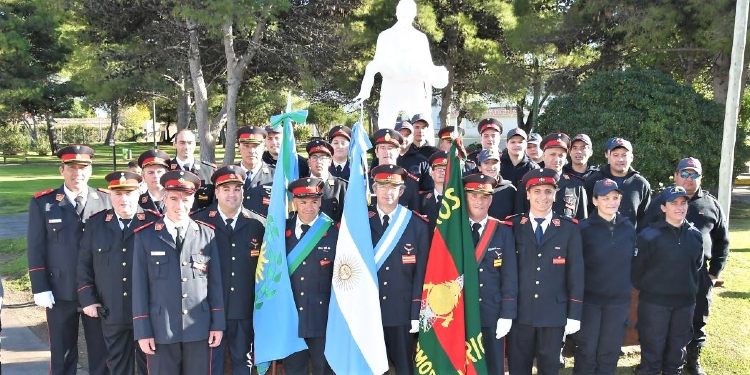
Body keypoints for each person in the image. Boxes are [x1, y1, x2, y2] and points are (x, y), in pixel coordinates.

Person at [27, 144, 111, 375]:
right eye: (72, 167)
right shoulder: (43, 203)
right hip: (59, 291)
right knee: (62, 354)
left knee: (101, 353)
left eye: (83, 167)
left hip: (97, 291)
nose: (78, 173)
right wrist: (40, 287)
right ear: (61, 169)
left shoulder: (105, 200)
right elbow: (35, 248)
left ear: (90, 170)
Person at [641, 158, 729, 375]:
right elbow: (642, 233)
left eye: (694, 174)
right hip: (662, 274)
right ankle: (653, 364)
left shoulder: (712, 204)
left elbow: (722, 241)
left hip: (698, 275)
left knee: (696, 321)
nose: (689, 178)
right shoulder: (660, 201)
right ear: (676, 175)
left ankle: (691, 362)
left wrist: (713, 273)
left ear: (700, 177)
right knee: (656, 323)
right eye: (685, 173)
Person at [132, 170, 225, 374]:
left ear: (193, 201)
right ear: (164, 197)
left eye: (185, 199)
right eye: (173, 198)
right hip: (160, 330)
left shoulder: (207, 235)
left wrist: (217, 324)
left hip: (199, 329)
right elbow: (139, 287)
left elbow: (215, 284)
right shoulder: (145, 236)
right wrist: (142, 331)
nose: (179, 205)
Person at [77, 171, 160, 375]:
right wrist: (88, 299)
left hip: (148, 313)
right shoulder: (96, 224)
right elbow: (83, 265)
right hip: (111, 311)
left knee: (149, 367)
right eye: (118, 193)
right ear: (110, 195)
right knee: (116, 366)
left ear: (139, 193)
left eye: (129, 193)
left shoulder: (155, 223)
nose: (123, 199)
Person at [506, 168, 584, 375]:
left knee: (550, 369)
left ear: (555, 194)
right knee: (518, 368)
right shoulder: (512, 225)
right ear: (528, 194)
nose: (543, 197)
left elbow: (576, 273)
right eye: (537, 191)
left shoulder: (569, 228)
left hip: (554, 314)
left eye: (548, 191)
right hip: (520, 314)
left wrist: (574, 314)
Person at [192, 165, 265, 375]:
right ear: (216, 192)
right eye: (226, 189)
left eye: (237, 189)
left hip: (244, 309)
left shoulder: (257, 224)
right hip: (208, 309)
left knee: (243, 363)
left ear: (243, 191)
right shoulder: (200, 222)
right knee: (210, 365)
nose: (232, 194)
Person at [632, 185, 703, 375]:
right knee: (652, 351)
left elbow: (696, 265)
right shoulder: (648, 236)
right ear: (663, 207)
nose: (679, 207)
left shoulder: (695, 235)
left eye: (683, 203)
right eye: (674, 203)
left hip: (684, 304)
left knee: (677, 351)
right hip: (655, 304)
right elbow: (637, 271)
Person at [352, 0, 448, 135]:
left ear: (414, 14)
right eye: (402, 11)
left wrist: (436, 78)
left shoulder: (420, 38)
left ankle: (425, 152)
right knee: (385, 128)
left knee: (422, 127)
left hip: (414, 87)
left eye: (409, 12)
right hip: (392, 86)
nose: (405, 15)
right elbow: (374, 65)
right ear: (397, 13)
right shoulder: (385, 36)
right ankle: (384, 153)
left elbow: (428, 66)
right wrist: (365, 91)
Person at [369, 164, 430, 375]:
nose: (388, 192)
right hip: (369, 311)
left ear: (402, 191)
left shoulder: (417, 225)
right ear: (374, 188)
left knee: (404, 367)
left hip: (402, 312)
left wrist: (416, 312)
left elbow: (421, 274)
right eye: (383, 186)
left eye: (394, 186)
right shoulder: (360, 224)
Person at [573, 178, 636, 375]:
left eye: (615, 197)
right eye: (605, 197)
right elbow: (575, 267)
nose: (611, 202)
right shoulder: (583, 229)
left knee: (609, 351)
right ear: (595, 200)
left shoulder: (628, 227)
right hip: (590, 302)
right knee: (587, 350)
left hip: (618, 302)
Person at [282, 177, 339, 375]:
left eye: (314, 201)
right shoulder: (281, 231)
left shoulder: (334, 232)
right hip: (291, 315)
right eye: (303, 202)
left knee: (323, 369)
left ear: (321, 202)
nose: (309, 207)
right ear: (294, 202)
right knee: (293, 369)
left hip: (323, 317)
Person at [463, 173, 518, 374]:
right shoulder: (455, 231)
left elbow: (509, 275)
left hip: (492, 312)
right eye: (474, 195)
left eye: (485, 196)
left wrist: (507, 314)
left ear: (491, 199)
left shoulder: (503, 231)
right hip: (462, 311)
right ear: (466, 197)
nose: (479, 201)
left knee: (494, 366)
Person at [516, 133, 588, 220]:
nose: (557, 159)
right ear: (543, 156)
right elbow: (519, 220)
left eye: (561, 155)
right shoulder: (528, 183)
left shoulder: (577, 185)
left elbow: (582, 221)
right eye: (552, 154)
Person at [584, 137, 651, 229]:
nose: (620, 159)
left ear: (631, 157)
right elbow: (585, 213)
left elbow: (644, 220)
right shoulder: (593, 181)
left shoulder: (641, 184)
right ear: (607, 155)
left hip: (629, 240)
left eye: (624, 155)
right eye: (615, 155)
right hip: (597, 239)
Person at [372, 129, 421, 210]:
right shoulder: (366, 181)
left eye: (391, 148)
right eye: (382, 147)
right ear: (376, 152)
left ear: (398, 151)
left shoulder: (409, 182)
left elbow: (414, 215)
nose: (387, 152)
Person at [170, 129, 216, 210]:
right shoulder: (166, 169)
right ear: (174, 144)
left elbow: (215, 201)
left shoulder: (209, 170)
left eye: (190, 143)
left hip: (202, 220)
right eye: (182, 142)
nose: (186, 147)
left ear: (195, 144)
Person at [236, 126, 275, 215]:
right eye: (246, 146)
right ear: (239, 147)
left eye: (256, 146)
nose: (251, 151)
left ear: (264, 147)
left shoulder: (276, 175)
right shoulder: (228, 174)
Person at [306, 139, 348, 222]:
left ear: (330, 161)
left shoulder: (342, 186)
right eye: (314, 157)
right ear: (309, 162)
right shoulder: (300, 185)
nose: (319, 161)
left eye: (323, 157)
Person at [395, 120, 435, 193]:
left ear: (412, 137)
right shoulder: (384, 158)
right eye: (400, 135)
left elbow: (428, 190)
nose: (404, 139)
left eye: (407, 135)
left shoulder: (422, 161)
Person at [477, 148, 517, 220]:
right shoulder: (472, 189)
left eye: (494, 163)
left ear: (500, 165)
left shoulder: (510, 189)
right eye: (486, 163)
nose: (491, 166)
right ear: (479, 167)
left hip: (503, 230)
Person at [418, 151, 448, 232]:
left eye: (445, 169)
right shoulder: (421, 199)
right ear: (431, 173)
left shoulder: (458, 200)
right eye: (438, 168)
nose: (442, 172)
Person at [138, 149, 171, 214]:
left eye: (159, 172)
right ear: (143, 176)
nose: (155, 176)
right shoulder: (137, 202)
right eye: (150, 172)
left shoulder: (178, 200)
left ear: (166, 174)